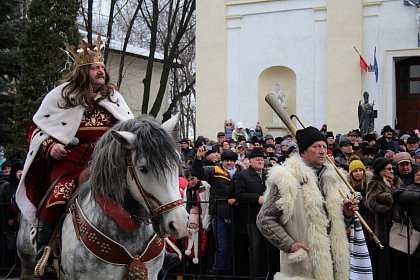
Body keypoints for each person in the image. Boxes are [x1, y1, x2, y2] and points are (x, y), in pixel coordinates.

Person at [15, 36, 134, 279]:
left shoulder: (114, 98)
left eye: (102, 67)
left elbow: (129, 128)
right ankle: (44, 253)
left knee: (138, 190)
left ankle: (156, 244)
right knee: (59, 194)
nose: (101, 71)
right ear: (82, 71)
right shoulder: (61, 95)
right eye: (95, 68)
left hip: (107, 157)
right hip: (71, 159)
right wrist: (50, 146)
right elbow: (36, 129)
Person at [256, 126, 359, 280]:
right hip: (302, 266)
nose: (322, 151)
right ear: (303, 152)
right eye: (316, 146)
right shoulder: (286, 178)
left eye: (324, 146)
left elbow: (335, 226)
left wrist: (347, 214)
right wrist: (289, 245)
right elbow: (264, 219)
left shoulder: (334, 180)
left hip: (333, 266)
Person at [192, 148, 238, 274]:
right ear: (222, 161)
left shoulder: (239, 173)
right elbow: (198, 172)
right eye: (226, 160)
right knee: (222, 246)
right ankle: (216, 271)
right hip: (219, 213)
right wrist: (198, 158)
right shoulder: (215, 170)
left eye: (232, 160)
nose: (229, 163)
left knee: (230, 247)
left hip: (234, 214)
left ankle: (227, 271)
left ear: (235, 162)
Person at [365, 157, 402, 280]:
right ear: (381, 171)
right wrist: (391, 200)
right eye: (389, 169)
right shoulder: (374, 183)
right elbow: (371, 203)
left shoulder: (397, 182)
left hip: (398, 227)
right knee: (384, 263)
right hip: (383, 229)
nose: (392, 171)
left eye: (392, 168)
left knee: (396, 261)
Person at [235, 148, 270, 277]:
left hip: (268, 218)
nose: (261, 161)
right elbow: (239, 195)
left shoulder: (268, 175)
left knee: (267, 247)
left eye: (262, 159)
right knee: (255, 247)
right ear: (250, 161)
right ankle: (255, 276)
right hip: (252, 217)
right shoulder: (243, 176)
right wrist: (257, 198)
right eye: (258, 159)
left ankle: (267, 273)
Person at [392, 166, 420, 279]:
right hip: (414, 230)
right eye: (417, 174)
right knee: (415, 264)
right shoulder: (409, 188)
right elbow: (401, 196)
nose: (419, 176)